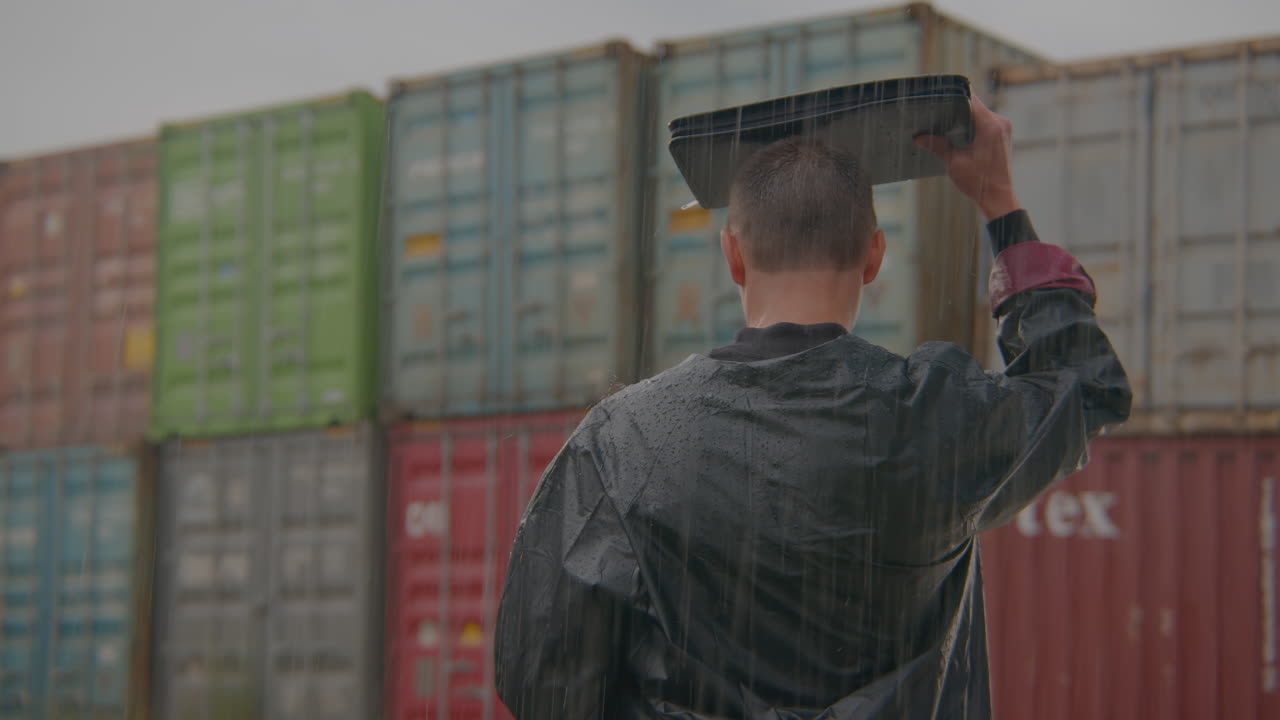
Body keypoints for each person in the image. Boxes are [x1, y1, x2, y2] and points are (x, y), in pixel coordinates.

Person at [494, 97, 1131, 720]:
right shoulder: (939, 418)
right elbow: (1082, 382)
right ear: (874, 256)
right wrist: (998, 199)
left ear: (733, 256)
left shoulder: (622, 439)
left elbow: (546, 680)